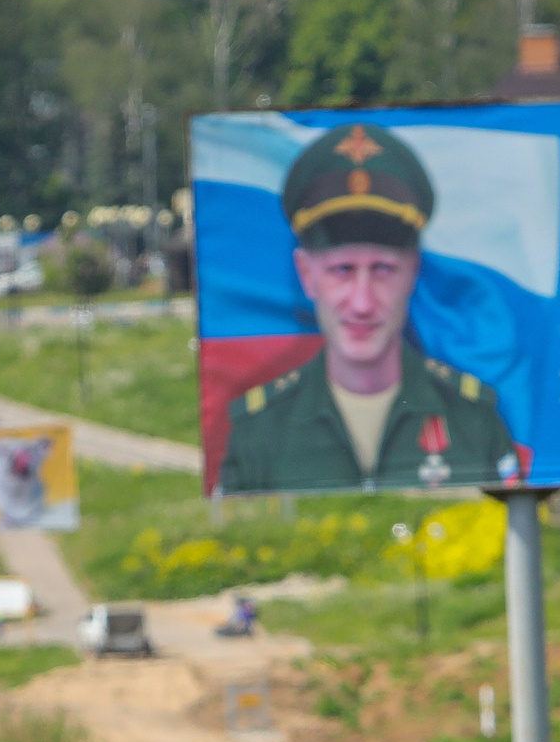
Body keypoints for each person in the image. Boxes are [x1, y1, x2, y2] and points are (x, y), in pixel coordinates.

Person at [218, 123, 520, 497]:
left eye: (383, 270)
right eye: (342, 271)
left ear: (414, 272)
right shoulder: (259, 432)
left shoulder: (472, 420)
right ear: (306, 275)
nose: (362, 303)